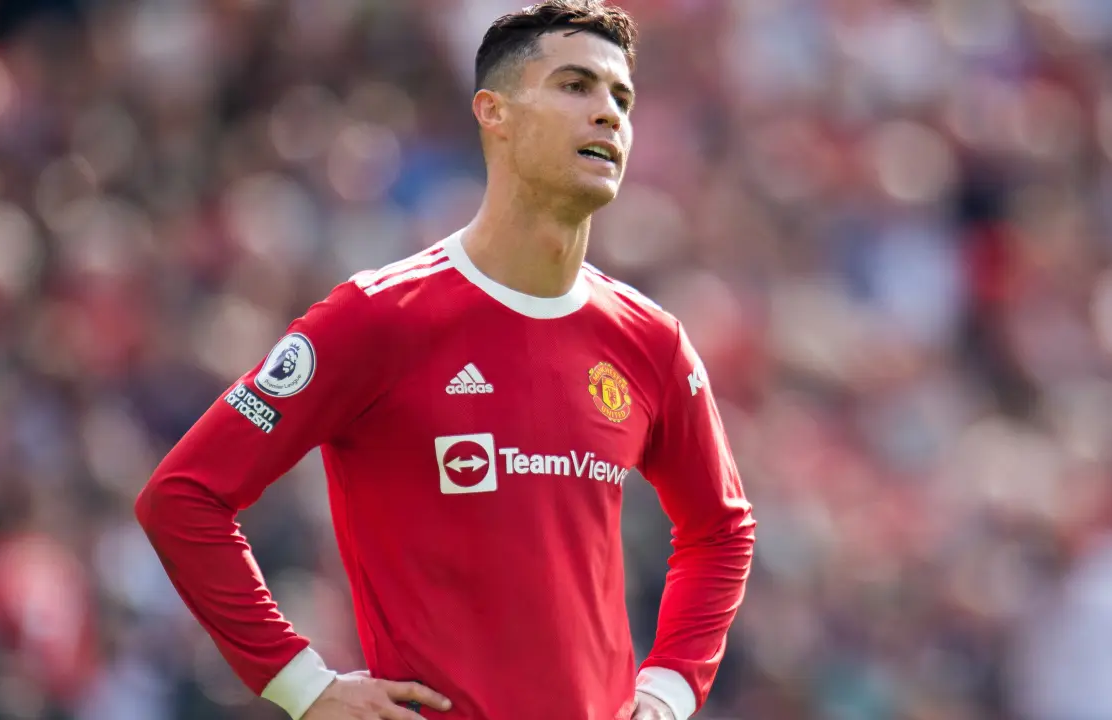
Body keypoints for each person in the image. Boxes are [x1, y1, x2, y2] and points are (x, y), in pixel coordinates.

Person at [134, 1, 756, 719]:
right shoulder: (378, 317)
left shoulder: (650, 341)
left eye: (622, 98)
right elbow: (182, 498)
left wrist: (670, 690)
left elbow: (721, 529)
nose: (608, 114)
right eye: (575, 85)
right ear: (494, 113)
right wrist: (303, 686)